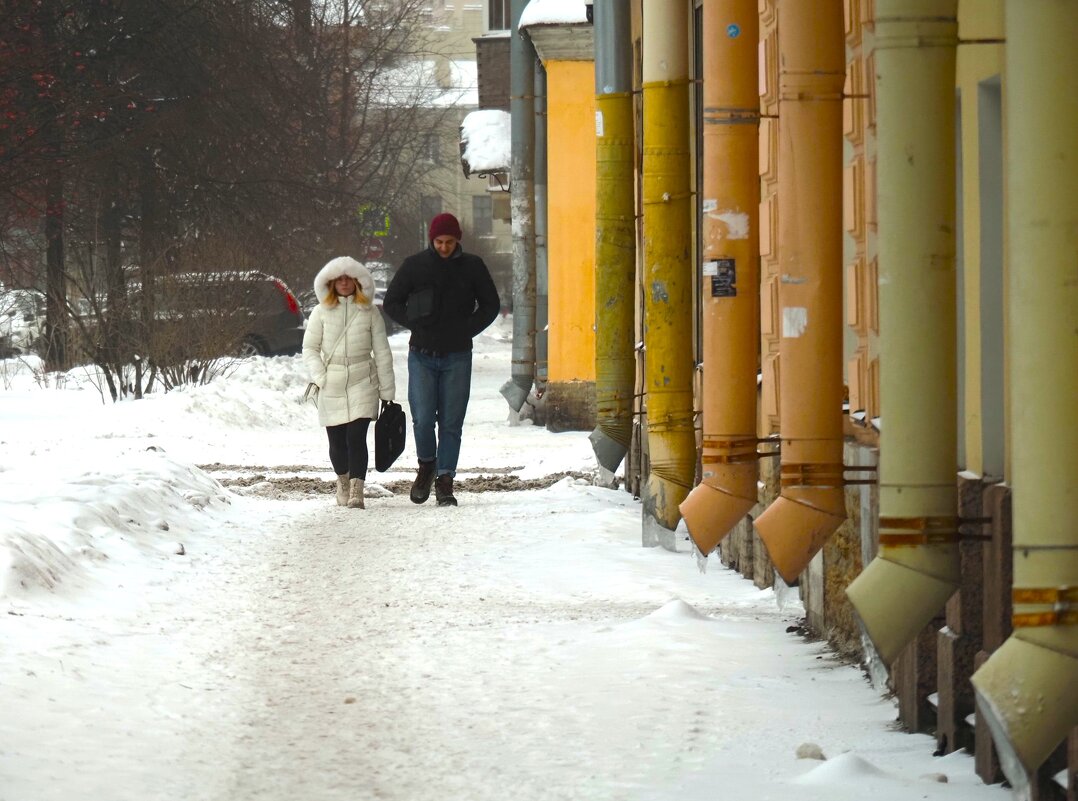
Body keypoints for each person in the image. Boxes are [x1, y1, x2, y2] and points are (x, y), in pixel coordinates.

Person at [383, 212, 500, 506]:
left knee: (451, 422)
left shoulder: (472, 267)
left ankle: (445, 480)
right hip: (422, 354)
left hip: (458, 356)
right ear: (431, 240)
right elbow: (391, 302)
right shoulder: (415, 266)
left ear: (457, 239)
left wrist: (467, 329)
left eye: (449, 241)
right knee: (422, 419)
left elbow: (491, 305)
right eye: (439, 241)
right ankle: (427, 467)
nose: (444, 247)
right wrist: (415, 322)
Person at [302, 256, 396, 509]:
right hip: (331, 381)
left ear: (357, 282)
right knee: (336, 440)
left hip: (362, 379)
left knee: (356, 436)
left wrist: (387, 392)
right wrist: (320, 376)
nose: (344, 283)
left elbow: (382, 351)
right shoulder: (320, 312)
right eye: (339, 279)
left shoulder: (370, 312)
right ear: (331, 283)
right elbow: (310, 348)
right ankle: (342, 479)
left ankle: (357, 489)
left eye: (349, 278)